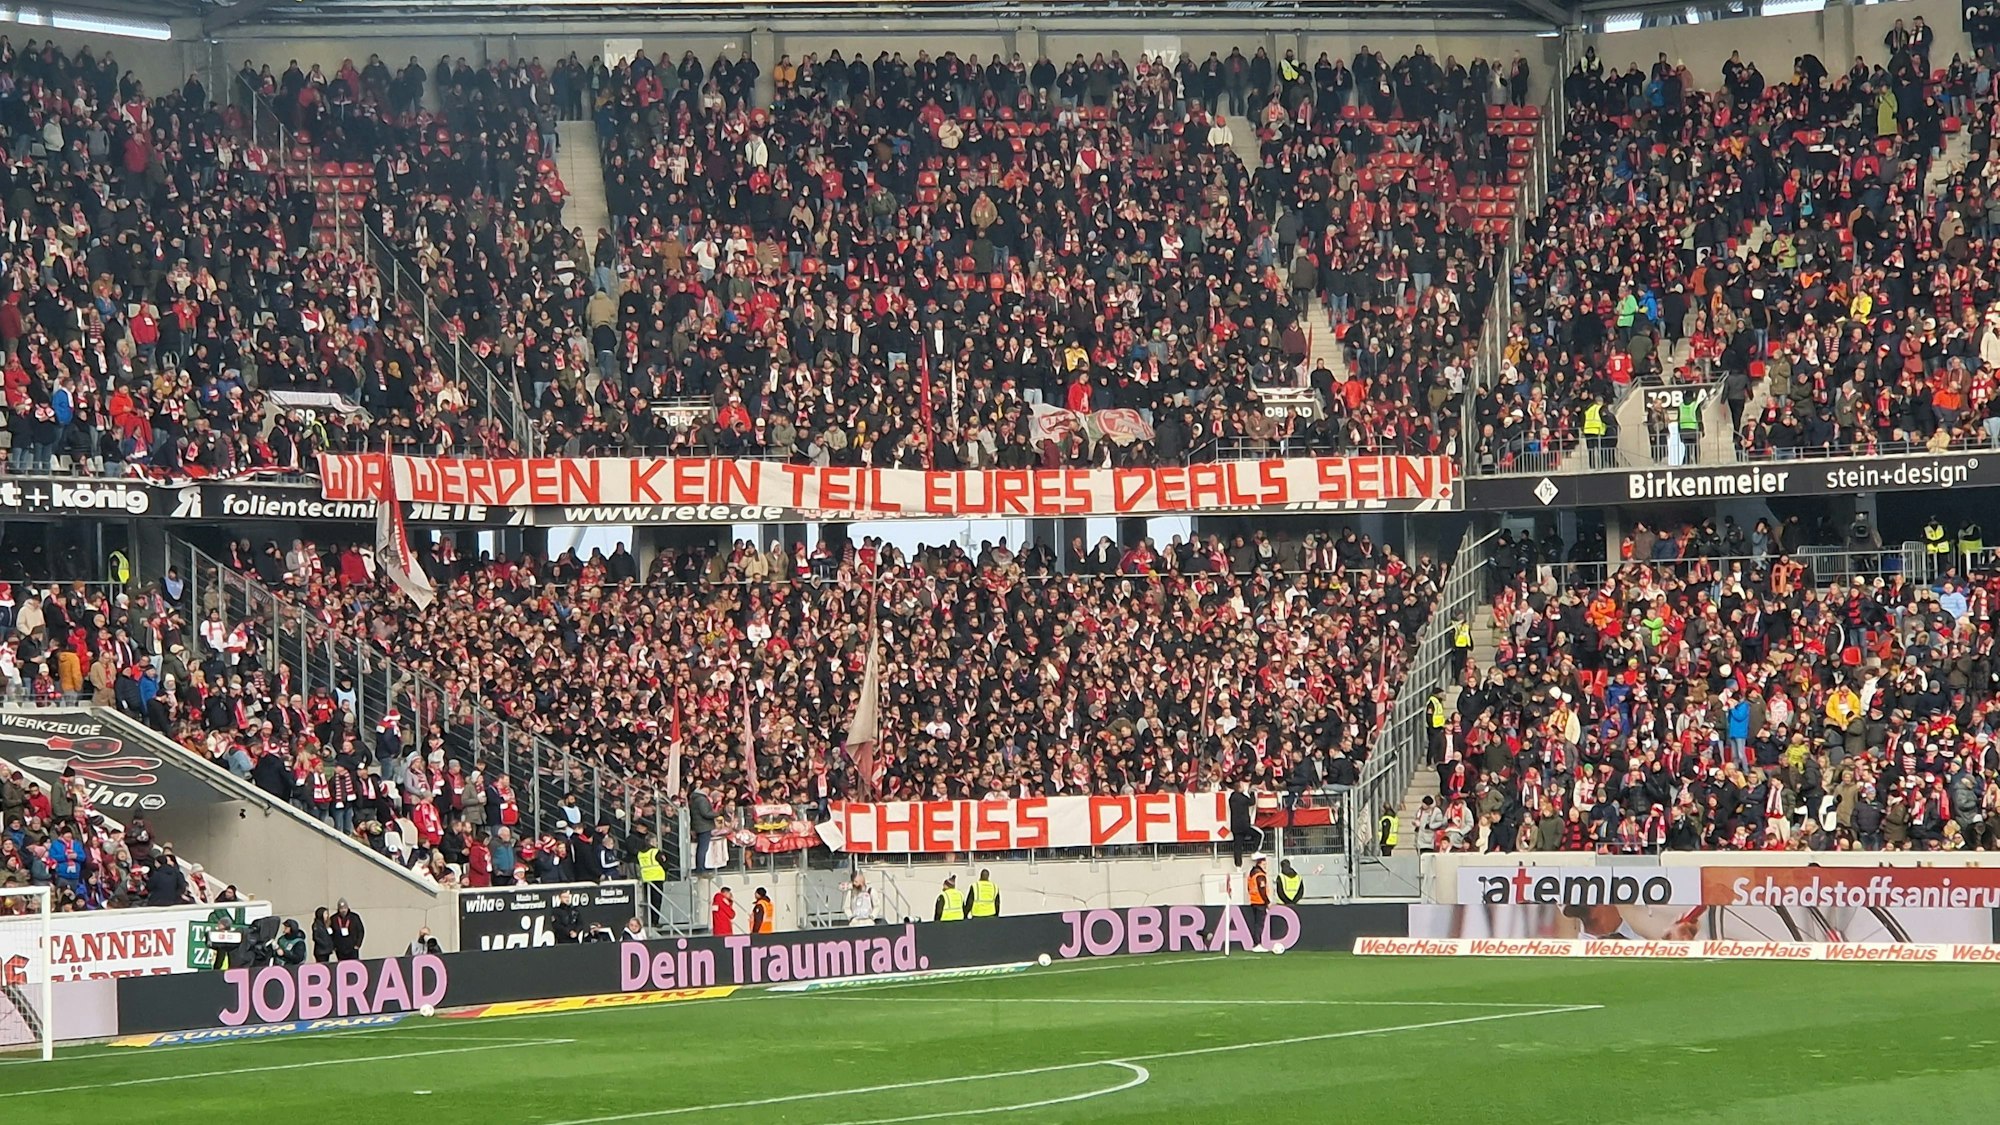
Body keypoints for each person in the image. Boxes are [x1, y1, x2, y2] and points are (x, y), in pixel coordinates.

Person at [1227, 777, 1260, 867]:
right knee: (1258, 835)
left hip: (1235, 826)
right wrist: (1251, 793)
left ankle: (1238, 865)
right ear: (1239, 788)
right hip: (1244, 825)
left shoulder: (1231, 798)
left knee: (1238, 846)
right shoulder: (1242, 798)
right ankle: (1254, 851)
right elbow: (1252, 802)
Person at [688, 786, 719, 875]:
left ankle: (700, 867)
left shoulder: (695, 798)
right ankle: (701, 868)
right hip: (704, 827)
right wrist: (717, 813)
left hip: (699, 826)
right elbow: (706, 813)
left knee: (700, 848)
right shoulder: (702, 799)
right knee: (703, 849)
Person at [1246, 854, 1271, 951]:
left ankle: (1256, 943)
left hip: (1253, 901)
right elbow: (1262, 890)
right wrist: (1267, 902)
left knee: (1256, 924)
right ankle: (1257, 944)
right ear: (1260, 864)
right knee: (1259, 925)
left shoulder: (1251, 874)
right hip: (1260, 902)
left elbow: (1249, 888)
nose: (1266, 866)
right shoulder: (1260, 875)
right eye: (1264, 864)